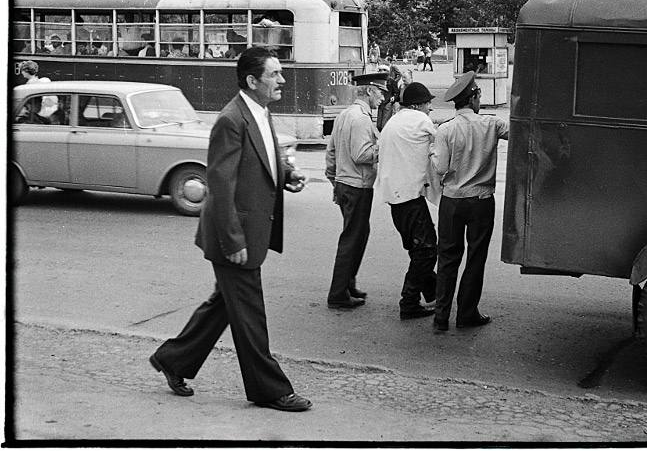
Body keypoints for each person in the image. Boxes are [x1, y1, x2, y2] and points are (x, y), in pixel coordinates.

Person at [149, 46, 312, 412]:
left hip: (245, 230)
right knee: (250, 313)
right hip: (232, 235)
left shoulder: (258, 111)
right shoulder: (231, 119)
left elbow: (260, 160)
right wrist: (233, 239)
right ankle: (270, 389)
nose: (282, 79)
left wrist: (287, 175)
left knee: (224, 305)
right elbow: (220, 185)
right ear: (252, 81)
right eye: (274, 74)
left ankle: (173, 360)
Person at [430, 71, 509, 332]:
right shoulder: (492, 124)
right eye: (479, 95)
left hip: (452, 201)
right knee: (476, 257)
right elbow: (519, 131)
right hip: (481, 201)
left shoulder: (445, 130)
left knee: (448, 258)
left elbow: (440, 168)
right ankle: (466, 313)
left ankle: (441, 316)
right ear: (473, 97)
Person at [375, 82, 439, 320]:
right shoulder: (420, 121)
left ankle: (433, 291)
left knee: (417, 248)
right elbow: (442, 141)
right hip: (410, 196)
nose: (430, 108)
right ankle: (409, 302)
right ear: (418, 104)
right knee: (427, 250)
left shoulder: (394, 121)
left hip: (395, 197)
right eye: (428, 103)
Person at [325, 72, 388, 309]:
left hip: (345, 184)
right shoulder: (361, 119)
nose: (382, 97)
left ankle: (348, 284)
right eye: (380, 92)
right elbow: (361, 155)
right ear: (369, 91)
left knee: (357, 235)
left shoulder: (344, 115)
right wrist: (383, 145)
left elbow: (331, 152)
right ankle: (338, 294)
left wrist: (334, 180)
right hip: (357, 186)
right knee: (352, 238)